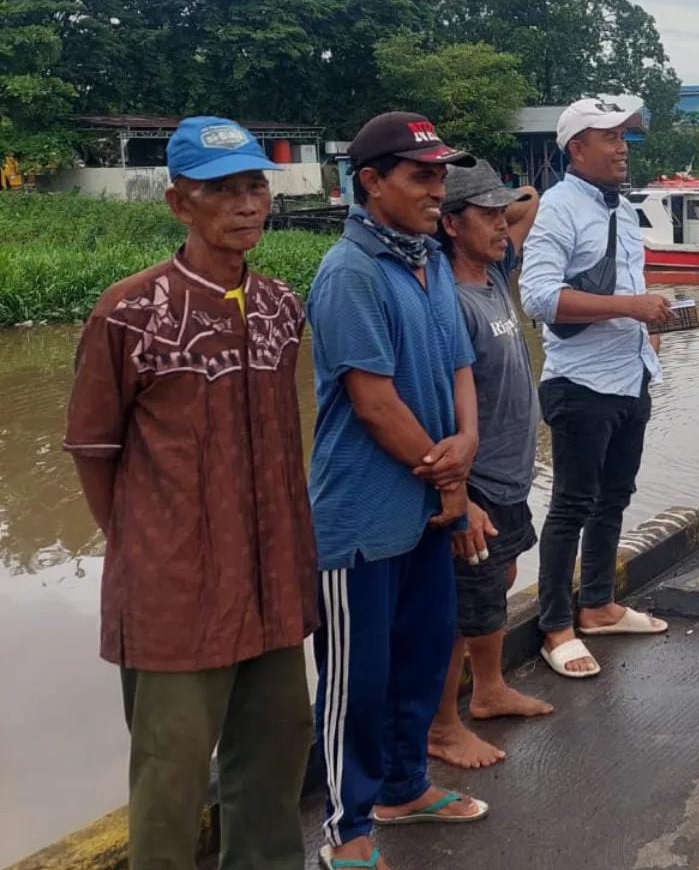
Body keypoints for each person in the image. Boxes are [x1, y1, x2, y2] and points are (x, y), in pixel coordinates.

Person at [63, 116, 316, 869]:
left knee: (274, 763)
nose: (246, 205)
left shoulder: (279, 306)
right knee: (170, 783)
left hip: (273, 583)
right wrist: (147, 548)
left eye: (254, 186)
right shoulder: (130, 312)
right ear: (181, 204)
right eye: (222, 191)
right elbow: (93, 450)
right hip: (174, 597)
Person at [307, 113, 488, 870]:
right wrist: (453, 484)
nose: (437, 190)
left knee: (421, 654)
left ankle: (405, 788)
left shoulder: (430, 262)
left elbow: (459, 369)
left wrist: (468, 447)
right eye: (421, 176)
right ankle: (346, 830)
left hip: (428, 508)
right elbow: (375, 403)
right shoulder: (349, 273)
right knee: (359, 680)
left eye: (442, 175)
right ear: (370, 182)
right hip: (362, 517)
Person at [518, 94, 672, 679]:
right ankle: (555, 624)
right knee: (571, 506)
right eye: (610, 137)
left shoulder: (621, 209)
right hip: (579, 384)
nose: (621, 149)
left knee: (615, 499)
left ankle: (600, 604)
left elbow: (628, 284)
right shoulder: (558, 208)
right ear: (577, 147)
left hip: (630, 378)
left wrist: (649, 327)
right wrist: (630, 306)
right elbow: (537, 298)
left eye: (625, 137)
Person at [427, 161, 550, 769]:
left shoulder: (496, 272)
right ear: (450, 224)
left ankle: (492, 690)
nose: (504, 225)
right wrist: (462, 497)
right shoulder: (448, 299)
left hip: (509, 474)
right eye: (486, 216)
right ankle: (443, 725)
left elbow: (529, 203)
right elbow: (436, 408)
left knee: (496, 585)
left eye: (503, 216)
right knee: (458, 607)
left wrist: (494, 200)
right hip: (475, 482)